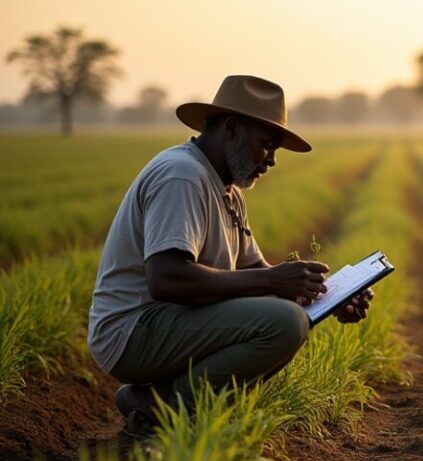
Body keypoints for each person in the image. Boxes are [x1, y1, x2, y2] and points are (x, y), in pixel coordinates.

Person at [87, 75, 372, 434]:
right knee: (284, 323)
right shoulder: (183, 175)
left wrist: (331, 298)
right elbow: (167, 278)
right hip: (132, 332)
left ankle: (160, 399)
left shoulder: (228, 191)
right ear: (232, 129)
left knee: (287, 318)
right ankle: (164, 411)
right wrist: (274, 280)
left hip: (168, 324)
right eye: (266, 145)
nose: (271, 161)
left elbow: (260, 278)